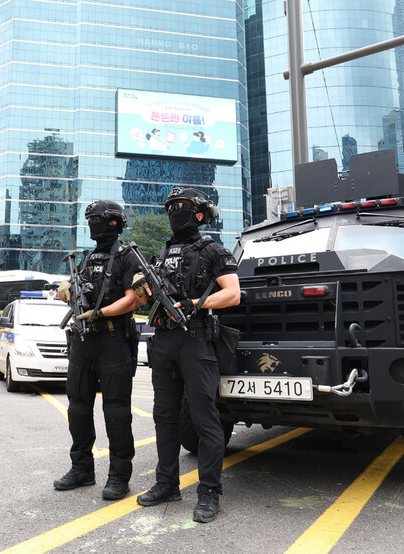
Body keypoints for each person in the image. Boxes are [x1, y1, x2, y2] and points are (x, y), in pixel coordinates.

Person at [135, 187, 240, 523]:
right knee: (163, 417)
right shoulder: (161, 253)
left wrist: (196, 303)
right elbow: (141, 296)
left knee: (204, 419)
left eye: (181, 207)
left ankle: (209, 492)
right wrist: (141, 285)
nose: (174, 212)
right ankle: (167, 484)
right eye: (170, 207)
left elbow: (233, 294)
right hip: (163, 340)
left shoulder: (212, 249)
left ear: (199, 214)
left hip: (196, 340)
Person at [53, 200, 141, 501]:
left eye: (98, 219)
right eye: (89, 219)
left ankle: (119, 476)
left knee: (116, 411)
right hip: (82, 341)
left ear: (114, 222)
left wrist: (100, 314)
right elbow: (69, 289)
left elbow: (133, 300)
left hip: (113, 340)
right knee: (77, 407)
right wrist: (65, 291)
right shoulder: (87, 257)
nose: (93, 224)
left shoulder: (128, 256)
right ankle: (81, 469)